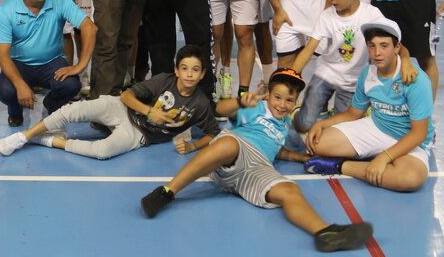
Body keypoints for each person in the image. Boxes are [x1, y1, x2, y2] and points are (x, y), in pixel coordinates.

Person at [140, 67, 373, 253]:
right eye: (277, 97)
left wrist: (299, 156)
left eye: (289, 100)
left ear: (295, 101)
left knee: (290, 190)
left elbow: (277, 150)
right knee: (227, 143)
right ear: (268, 94)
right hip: (235, 151)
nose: (282, 104)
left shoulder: (285, 124)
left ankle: (324, 233)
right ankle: (167, 192)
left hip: (258, 167)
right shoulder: (257, 107)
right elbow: (220, 108)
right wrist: (241, 101)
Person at [0, 44, 220, 160]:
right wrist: (149, 111)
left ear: (202, 74)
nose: (189, 74)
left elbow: (213, 132)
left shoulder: (200, 103)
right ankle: (24, 136)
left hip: (139, 135)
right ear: (176, 70)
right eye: (184, 68)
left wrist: (193, 146)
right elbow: (126, 96)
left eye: (195, 70)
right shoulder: (164, 80)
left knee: (102, 152)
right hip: (122, 109)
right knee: (75, 109)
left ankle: (51, 141)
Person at [305, 19, 434, 193]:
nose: (377, 53)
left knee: (409, 179)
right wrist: (322, 124)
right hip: (377, 127)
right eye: (372, 46)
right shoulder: (367, 74)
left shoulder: (415, 80)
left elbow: (419, 134)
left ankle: (341, 166)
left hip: (410, 139)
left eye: (384, 46)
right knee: (318, 144)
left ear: (397, 47)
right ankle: (377, 159)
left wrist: (384, 157)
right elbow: (353, 114)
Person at [292, 0, 409, 133]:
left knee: (341, 131)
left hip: (354, 82)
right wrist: (289, 77)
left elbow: (396, 44)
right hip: (326, 74)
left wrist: (406, 61)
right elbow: (309, 49)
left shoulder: (371, 15)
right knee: (304, 125)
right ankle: (307, 113)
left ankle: (334, 116)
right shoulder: (326, 17)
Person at [0, 0, 97, 127]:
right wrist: (20, 84)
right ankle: (15, 111)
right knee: (6, 90)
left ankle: (51, 105)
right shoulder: (7, 10)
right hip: (19, 64)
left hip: (52, 63)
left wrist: (80, 66)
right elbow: (2, 55)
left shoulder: (60, 1)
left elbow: (89, 28)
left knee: (71, 85)